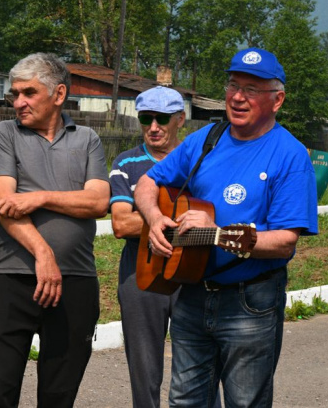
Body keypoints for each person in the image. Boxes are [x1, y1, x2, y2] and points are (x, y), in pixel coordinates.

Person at [134, 47, 318, 407]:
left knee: (245, 402)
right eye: (233, 85)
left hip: (250, 301)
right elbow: (147, 183)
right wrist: (155, 219)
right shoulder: (207, 138)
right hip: (191, 292)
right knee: (185, 401)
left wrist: (217, 232)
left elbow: (284, 242)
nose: (237, 96)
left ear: (277, 100)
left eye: (251, 89)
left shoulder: (290, 155)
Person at [0, 52, 110, 408]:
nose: (18, 102)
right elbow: (5, 204)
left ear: (59, 94)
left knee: (59, 394)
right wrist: (44, 253)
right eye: (14, 94)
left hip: (76, 280)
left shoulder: (87, 139)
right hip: (12, 277)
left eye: (28, 93)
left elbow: (98, 202)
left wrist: (37, 198)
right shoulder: (4, 133)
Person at [109, 86, 185, 408]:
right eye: (146, 118)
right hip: (140, 270)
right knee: (143, 368)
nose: (153, 127)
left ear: (180, 119)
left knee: (195, 365)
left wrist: (153, 220)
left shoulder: (198, 160)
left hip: (191, 272)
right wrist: (172, 223)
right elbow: (120, 224)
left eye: (162, 118)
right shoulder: (126, 163)